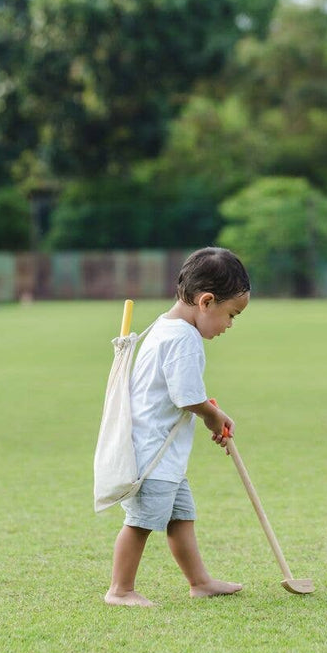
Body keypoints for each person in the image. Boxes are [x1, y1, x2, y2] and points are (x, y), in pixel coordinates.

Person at [104, 247, 250, 607]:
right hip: (153, 454)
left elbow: (178, 391)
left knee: (181, 516)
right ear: (206, 301)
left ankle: (199, 581)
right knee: (140, 523)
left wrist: (210, 409)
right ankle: (120, 589)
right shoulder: (184, 339)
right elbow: (186, 396)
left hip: (161, 452)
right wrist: (213, 415)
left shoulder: (164, 326)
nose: (229, 325)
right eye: (231, 315)